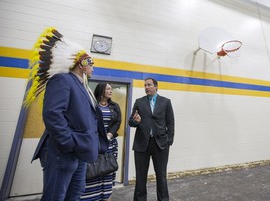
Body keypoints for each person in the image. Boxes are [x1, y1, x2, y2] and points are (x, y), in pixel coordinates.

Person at [23, 27, 109, 201]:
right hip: (63, 152)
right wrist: (69, 143)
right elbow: (52, 114)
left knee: (75, 194)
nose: (93, 67)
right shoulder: (62, 80)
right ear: (82, 64)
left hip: (79, 152)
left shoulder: (83, 86)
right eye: (91, 63)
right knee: (55, 196)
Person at [128, 77, 175, 201]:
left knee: (161, 176)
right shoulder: (139, 102)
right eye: (145, 85)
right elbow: (130, 122)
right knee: (140, 177)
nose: (147, 87)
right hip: (141, 144)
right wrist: (135, 121)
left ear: (156, 87)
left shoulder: (166, 102)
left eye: (149, 85)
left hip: (160, 144)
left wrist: (169, 140)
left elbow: (170, 122)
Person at [81, 82, 122, 201]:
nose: (110, 91)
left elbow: (117, 122)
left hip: (110, 144)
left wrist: (110, 134)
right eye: (108, 89)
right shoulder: (92, 105)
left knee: (107, 170)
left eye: (111, 89)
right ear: (101, 90)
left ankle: (106, 196)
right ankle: (91, 197)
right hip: (94, 144)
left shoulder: (115, 106)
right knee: (93, 170)